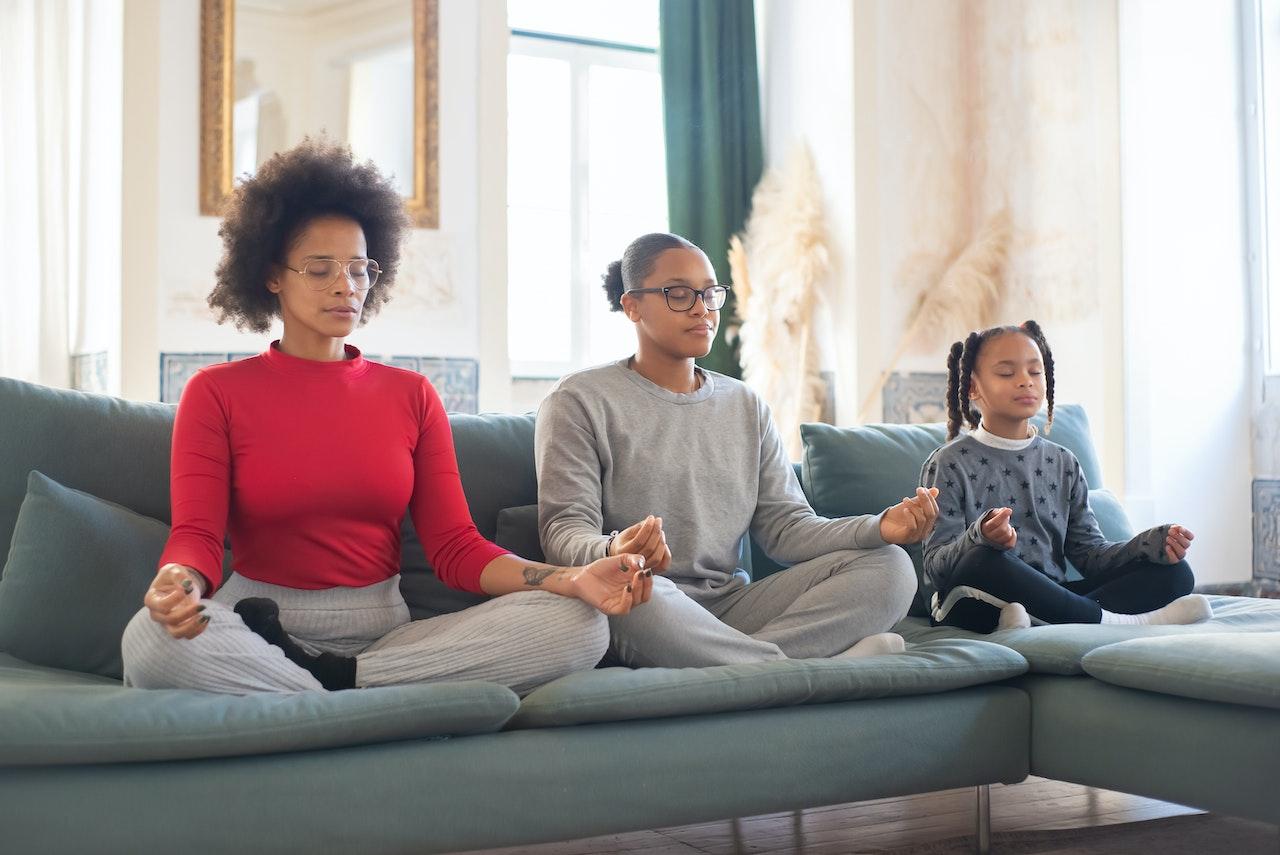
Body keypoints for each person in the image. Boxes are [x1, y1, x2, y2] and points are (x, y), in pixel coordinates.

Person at [121, 139, 651, 695]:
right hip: (257, 626)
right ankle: (362, 702)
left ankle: (333, 687)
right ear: (271, 275)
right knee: (149, 641)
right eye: (320, 268)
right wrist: (175, 581)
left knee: (580, 625)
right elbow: (197, 536)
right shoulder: (216, 392)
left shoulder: (412, 395)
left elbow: (457, 550)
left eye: (358, 269)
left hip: (385, 637)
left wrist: (572, 579)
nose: (345, 286)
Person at [535, 232, 934, 668]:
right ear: (632, 305)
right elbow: (563, 532)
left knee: (891, 566)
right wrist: (613, 549)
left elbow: (787, 529)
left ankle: (750, 665)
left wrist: (880, 527)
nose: (702, 309)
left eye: (709, 293)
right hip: (648, 601)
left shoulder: (746, 405)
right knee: (633, 588)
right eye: (680, 294)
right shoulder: (578, 400)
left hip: (733, 606)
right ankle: (807, 665)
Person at [920, 320, 1211, 632]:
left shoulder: (1063, 462)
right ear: (973, 387)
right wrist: (981, 536)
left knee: (1176, 572)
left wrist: (1144, 545)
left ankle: (1047, 618)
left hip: (1051, 596)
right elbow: (937, 568)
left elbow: (1089, 556)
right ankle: (1117, 622)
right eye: (1007, 372)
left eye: (1035, 371)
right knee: (983, 560)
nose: (1025, 381)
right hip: (972, 600)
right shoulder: (949, 463)